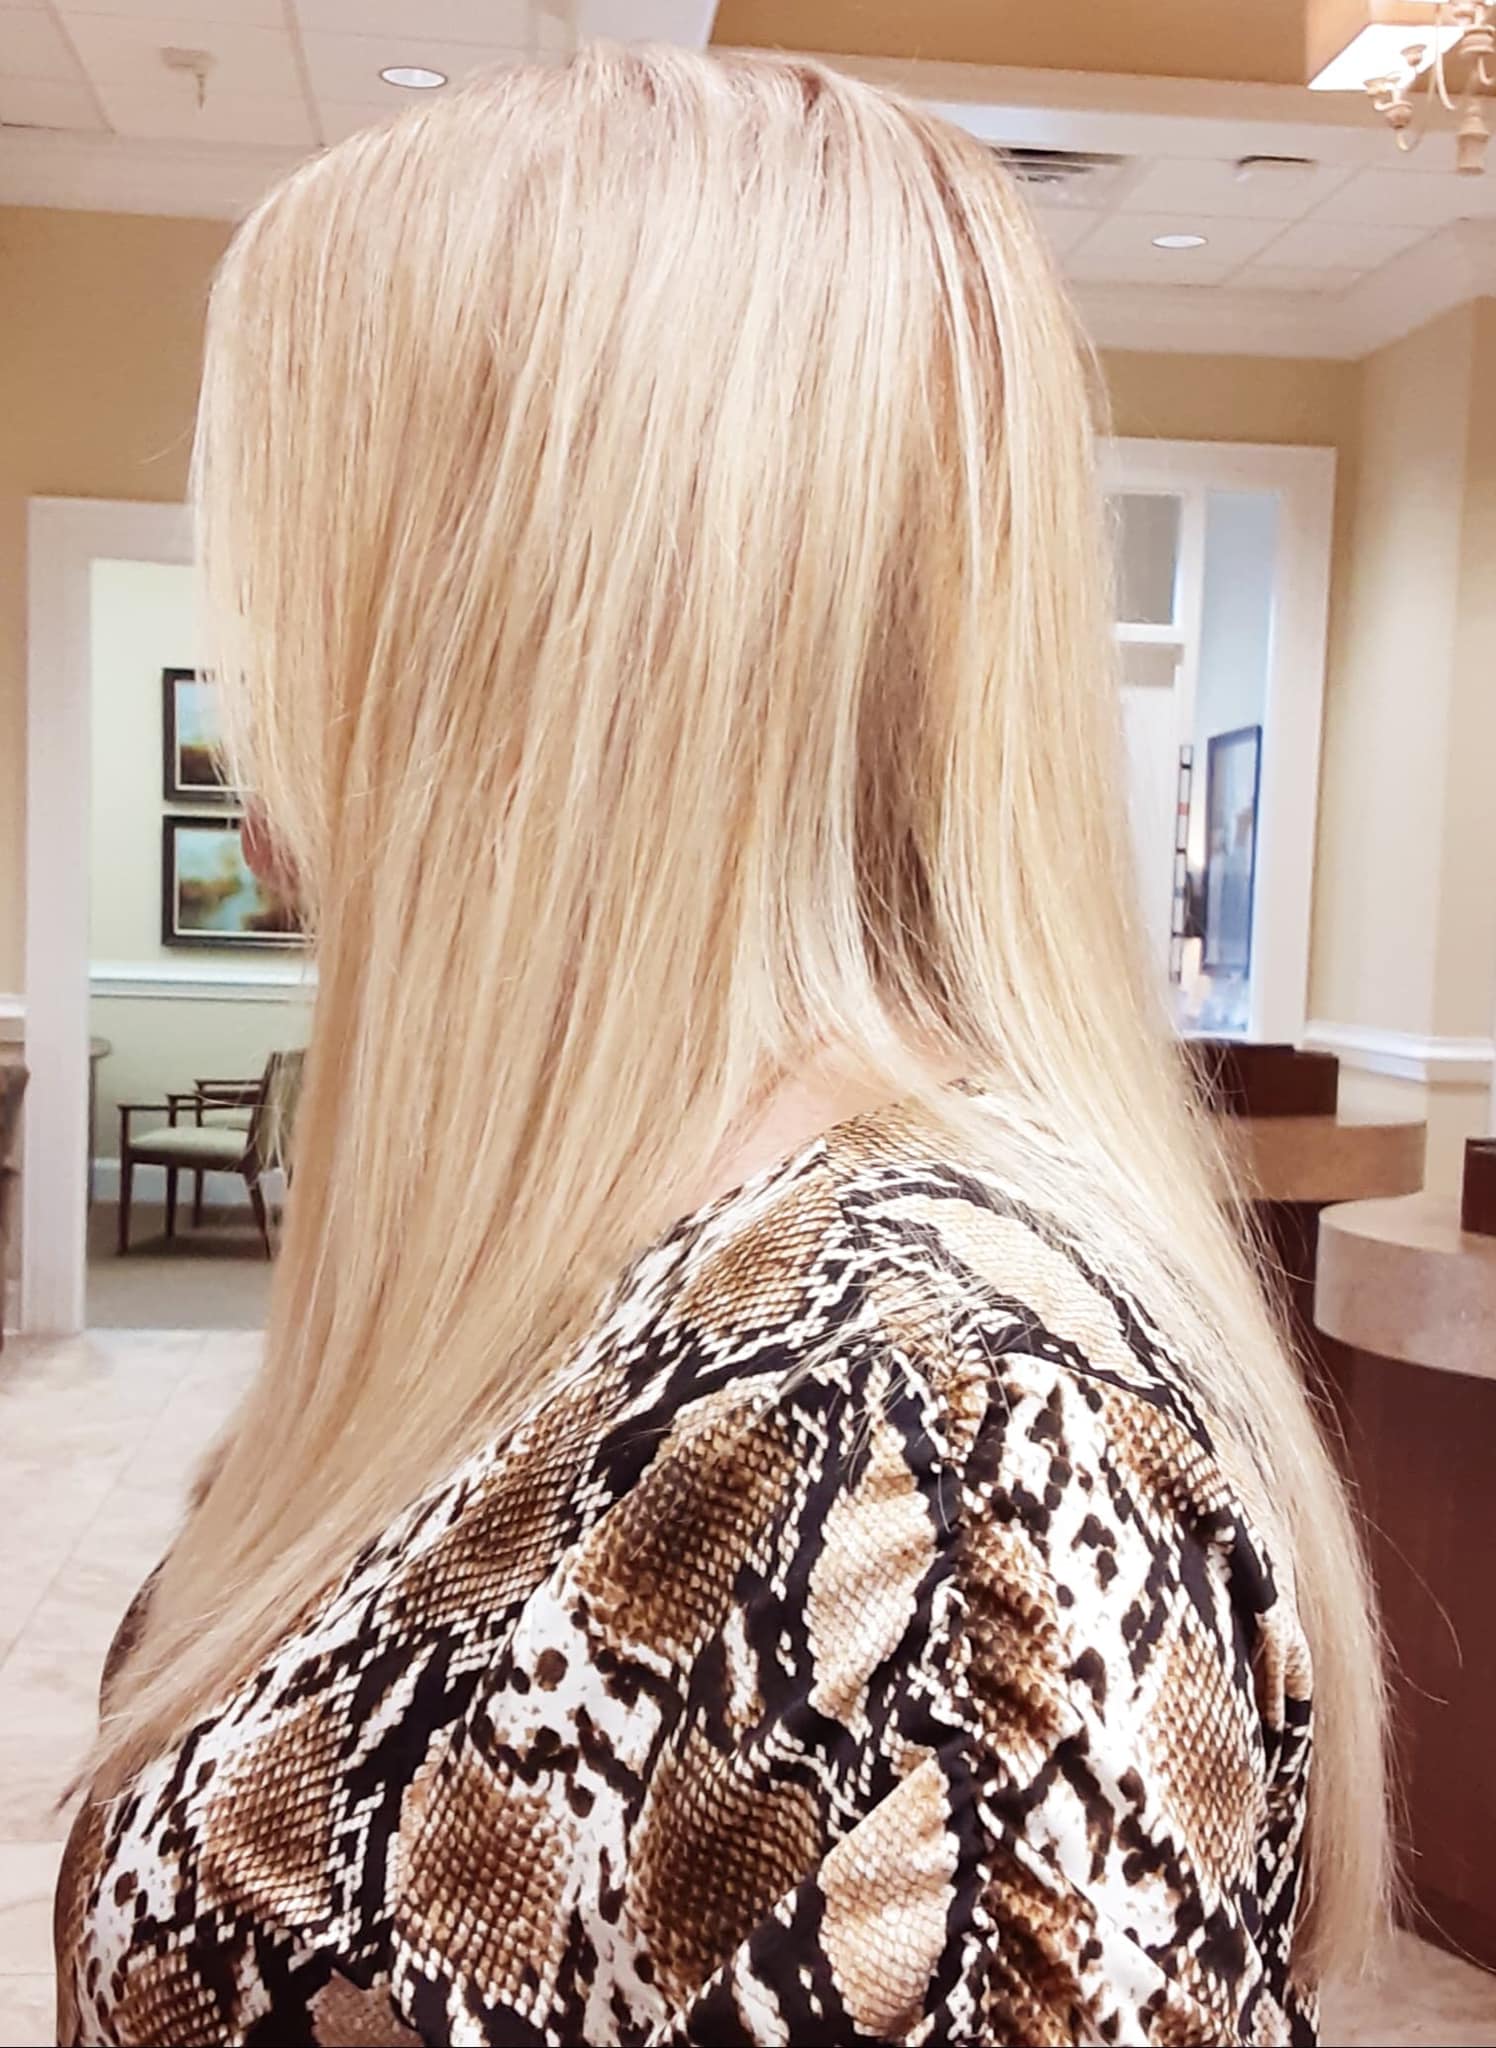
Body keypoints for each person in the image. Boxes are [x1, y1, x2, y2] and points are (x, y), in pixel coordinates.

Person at [54, 45, 1388, 2047]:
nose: (261, 724)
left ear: (533, 631)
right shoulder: (634, 1272)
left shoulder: (931, 1450)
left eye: (305, 591)